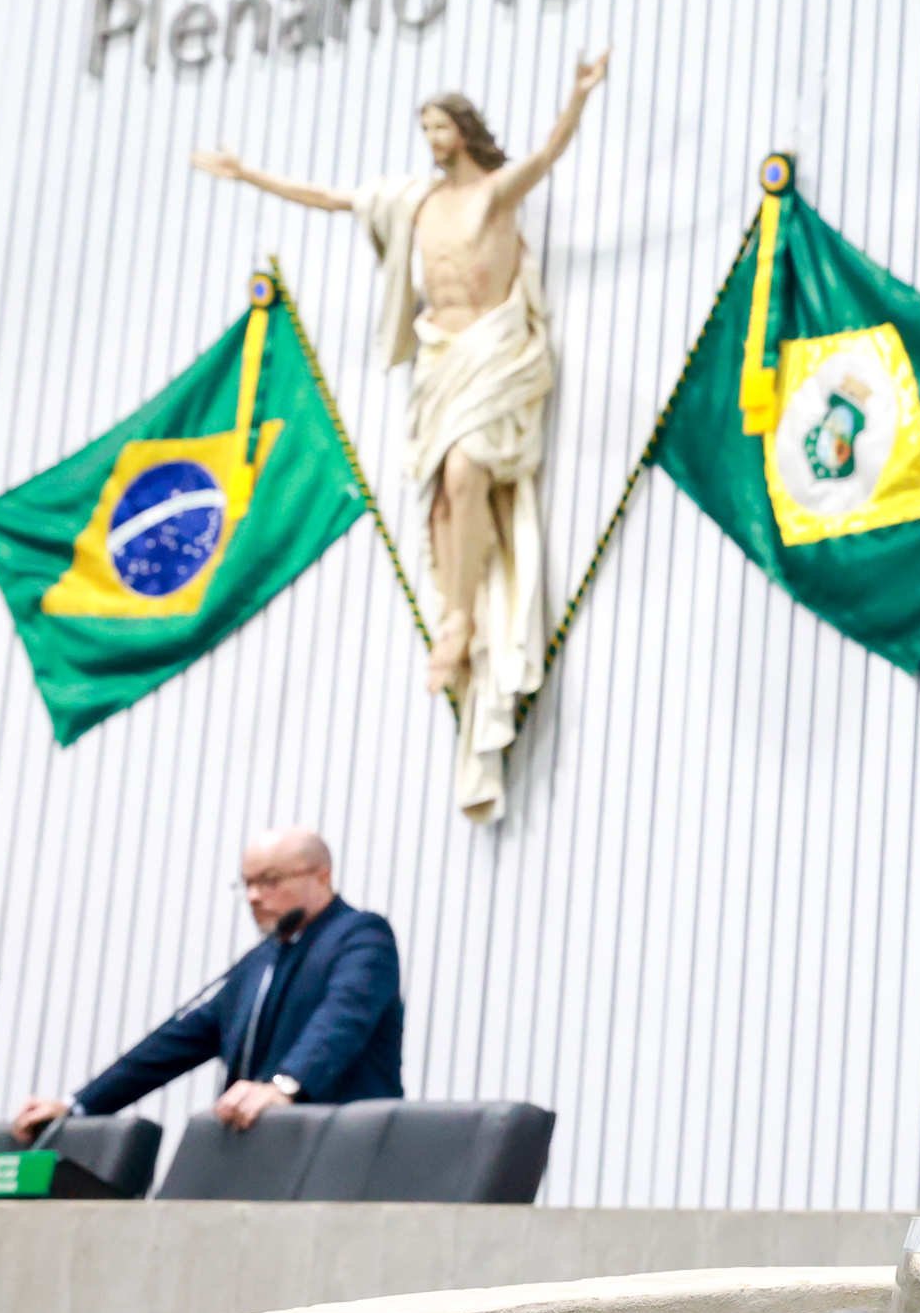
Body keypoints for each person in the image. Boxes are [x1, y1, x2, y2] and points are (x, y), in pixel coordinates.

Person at [191, 52, 609, 820]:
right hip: (440, 357)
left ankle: (461, 619)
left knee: (466, 473)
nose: (432, 138)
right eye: (425, 128)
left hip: (490, 351)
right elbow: (329, 198)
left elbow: (550, 152)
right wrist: (249, 175)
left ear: (464, 131)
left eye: (440, 126)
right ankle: (456, 614)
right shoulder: (413, 203)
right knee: (444, 500)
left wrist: (578, 94)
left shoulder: (493, 194)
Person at [12, 828, 403, 1139]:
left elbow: (343, 1018)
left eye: (269, 881)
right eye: (247, 883)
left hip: (341, 1150)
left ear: (321, 876)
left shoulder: (362, 936)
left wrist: (284, 1086)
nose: (254, 896)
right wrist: (77, 1106)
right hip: (263, 1151)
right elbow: (173, 1044)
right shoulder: (259, 962)